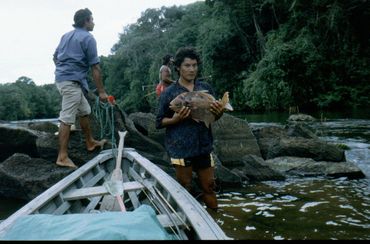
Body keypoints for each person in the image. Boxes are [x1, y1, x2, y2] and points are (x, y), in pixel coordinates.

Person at [155, 47, 225, 211]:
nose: (192, 69)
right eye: (187, 65)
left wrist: (219, 112)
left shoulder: (205, 88)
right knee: (185, 188)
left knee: (209, 187)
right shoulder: (169, 93)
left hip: (204, 146)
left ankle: (216, 222)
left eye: (194, 65)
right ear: (178, 67)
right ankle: (189, 227)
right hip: (181, 148)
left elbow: (213, 118)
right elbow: (159, 122)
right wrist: (176, 119)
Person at [53, 8, 108, 169]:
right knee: (67, 118)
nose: (94, 23)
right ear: (86, 21)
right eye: (92, 20)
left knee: (85, 110)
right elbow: (95, 68)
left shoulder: (66, 36)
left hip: (64, 79)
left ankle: (90, 142)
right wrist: (102, 92)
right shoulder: (88, 38)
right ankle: (62, 156)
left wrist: (63, 69)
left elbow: (55, 57)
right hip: (70, 82)